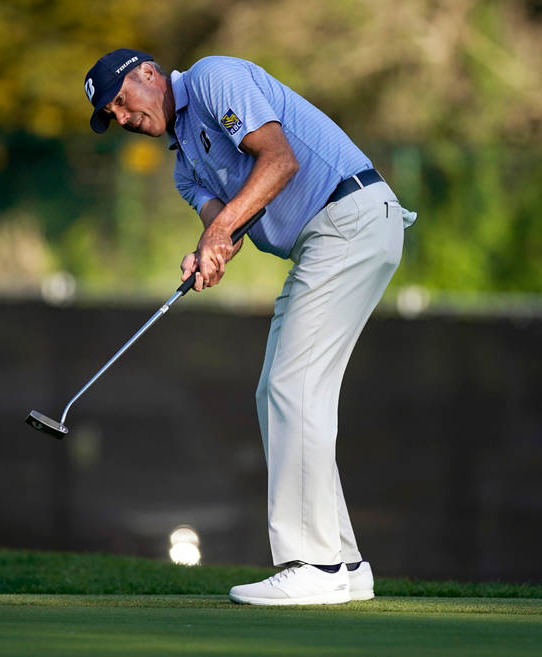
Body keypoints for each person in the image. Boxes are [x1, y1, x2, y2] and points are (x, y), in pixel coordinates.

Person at [83, 49, 416, 605]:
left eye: (121, 100)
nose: (122, 117)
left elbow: (280, 160)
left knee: (293, 386)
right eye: (111, 116)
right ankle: (345, 563)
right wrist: (207, 250)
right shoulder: (184, 167)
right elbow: (226, 227)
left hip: (349, 217)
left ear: (147, 73)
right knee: (278, 392)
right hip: (329, 239)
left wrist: (219, 233)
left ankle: (314, 563)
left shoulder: (215, 79)